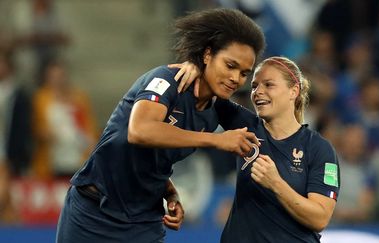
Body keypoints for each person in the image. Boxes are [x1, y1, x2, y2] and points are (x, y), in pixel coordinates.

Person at [55, 8, 265, 243]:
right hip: (92, 213)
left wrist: (169, 192)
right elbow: (140, 131)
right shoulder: (166, 80)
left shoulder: (216, 110)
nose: (236, 78)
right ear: (207, 55)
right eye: (230, 65)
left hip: (143, 221)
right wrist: (217, 140)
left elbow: (153, 157)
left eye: (244, 73)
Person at [173, 56, 340, 242]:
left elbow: (320, 218)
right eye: (254, 86)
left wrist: (276, 183)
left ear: (293, 91)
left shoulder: (319, 149)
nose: (258, 92)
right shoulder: (247, 126)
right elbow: (204, 88)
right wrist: (194, 67)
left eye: (268, 85)